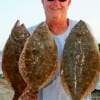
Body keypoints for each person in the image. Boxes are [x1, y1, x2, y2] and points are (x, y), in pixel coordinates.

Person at [28, 0, 95, 100]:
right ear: (42, 1)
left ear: (69, 3)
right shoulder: (30, 34)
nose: (56, 2)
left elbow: (93, 64)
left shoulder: (86, 29)